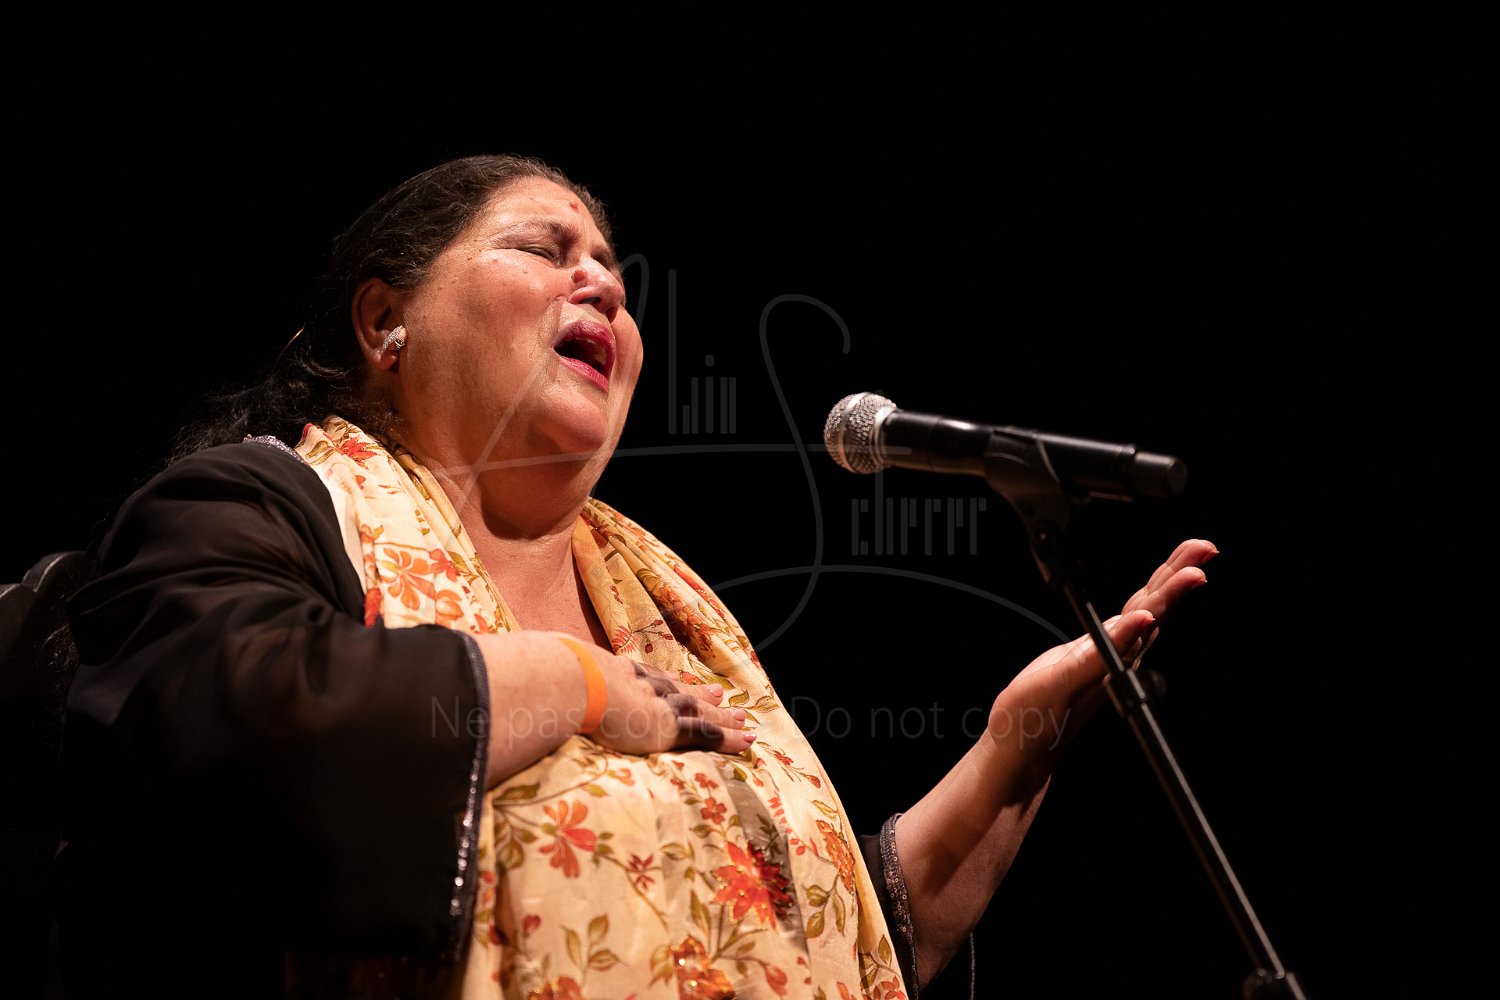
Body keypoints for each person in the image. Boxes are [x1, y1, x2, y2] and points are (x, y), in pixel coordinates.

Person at [56, 154, 1216, 999]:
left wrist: (1016, 748)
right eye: (544, 249)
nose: (604, 286)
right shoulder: (261, 509)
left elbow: (809, 944)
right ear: (384, 320)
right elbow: (238, 740)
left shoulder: (666, 602)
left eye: (613, 268)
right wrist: (580, 684)